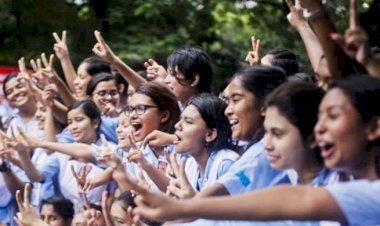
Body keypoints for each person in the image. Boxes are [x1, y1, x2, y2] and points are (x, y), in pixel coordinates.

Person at [130, 75, 380, 226]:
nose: (322, 128)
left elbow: (296, 200)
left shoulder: (369, 193)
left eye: (278, 133)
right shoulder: (329, 178)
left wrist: (187, 207)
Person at [167, 93, 239, 198]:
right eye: (180, 119)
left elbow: (236, 212)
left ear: (210, 134)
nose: (177, 125)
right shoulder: (190, 163)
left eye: (188, 122)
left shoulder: (226, 164)